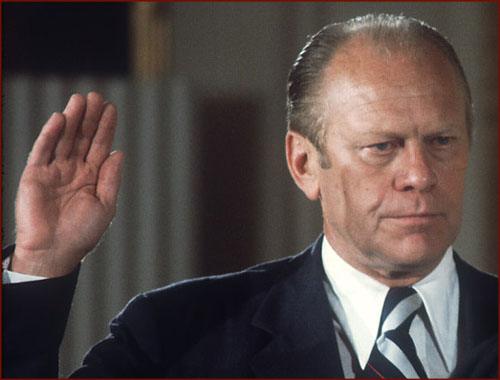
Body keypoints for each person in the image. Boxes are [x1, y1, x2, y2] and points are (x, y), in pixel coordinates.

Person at [2, 13, 497, 378]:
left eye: (442, 141)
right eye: (382, 147)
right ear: (305, 164)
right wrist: (41, 262)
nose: (419, 174)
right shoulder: (175, 336)